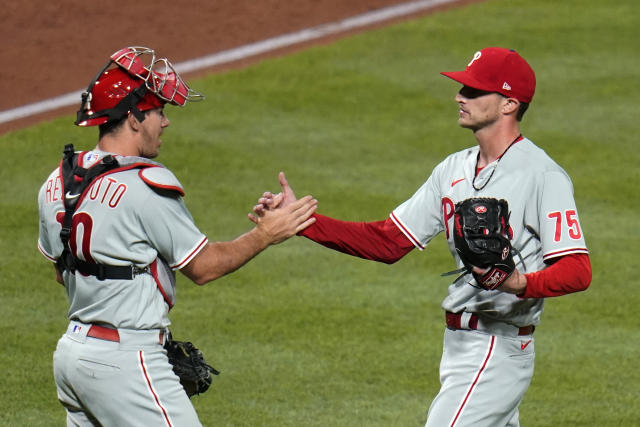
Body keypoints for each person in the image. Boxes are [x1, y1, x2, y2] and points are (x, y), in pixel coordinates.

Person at [251, 47, 591, 426]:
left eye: (475, 91)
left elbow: (578, 270)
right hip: (459, 347)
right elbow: (388, 241)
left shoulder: (542, 175)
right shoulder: (452, 169)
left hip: (498, 349)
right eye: (463, 87)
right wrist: (302, 221)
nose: (460, 96)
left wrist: (517, 282)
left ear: (510, 103)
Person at [37, 46, 317, 426]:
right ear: (134, 118)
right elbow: (203, 267)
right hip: (126, 362)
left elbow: (62, 271)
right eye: (158, 111)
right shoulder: (143, 184)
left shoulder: (56, 183)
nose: (164, 122)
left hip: (71, 357)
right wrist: (265, 234)